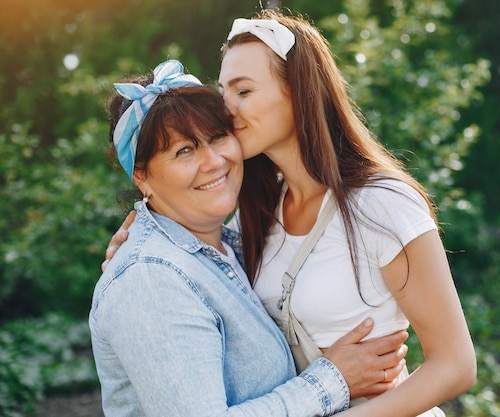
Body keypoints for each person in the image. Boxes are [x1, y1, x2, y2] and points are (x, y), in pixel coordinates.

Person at [105, 9, 476, 416]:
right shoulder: (259, 213)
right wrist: (142, 237)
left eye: (243, 91)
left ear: (298, 91)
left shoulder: (380, 203)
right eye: (224, 93)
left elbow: (455, 365)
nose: (227, 109)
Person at [90, 59, 409, 417]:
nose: (214, 161)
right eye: (184, 150)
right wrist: (334, 380)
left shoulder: (237, 242)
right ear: (141, 175)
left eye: (217, 137)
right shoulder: (150, 280)